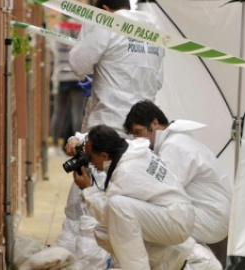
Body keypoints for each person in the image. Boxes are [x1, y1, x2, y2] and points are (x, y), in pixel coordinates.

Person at [124, 100, 233, 268]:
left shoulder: (175, 146)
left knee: (146, 217)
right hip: (211, 215)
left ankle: (203, 264)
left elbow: (159, 193)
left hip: (212, 218)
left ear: (155, 124)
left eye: (139, 133)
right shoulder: (177, 141)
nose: (139, 140)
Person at [72, 125, 195, 270]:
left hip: (175, 221)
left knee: (117, 205)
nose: (89, 162)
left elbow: (107, 213)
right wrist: (78, 140)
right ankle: (171, 257)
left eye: (90, 156)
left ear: (104, 156)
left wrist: (88, 189)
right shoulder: (132, 150)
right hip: (175, 214)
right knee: (104, 232)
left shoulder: (126, 171)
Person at [69, 0, 165, 136]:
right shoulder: (153, 32)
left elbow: (78, 64)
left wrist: (90, 27)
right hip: (143, 129)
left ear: (104, 10)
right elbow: (157, 82)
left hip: (108, 128)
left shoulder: (108, 25)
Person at [49, 14, 88, 148]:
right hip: (78, 77)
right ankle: (79, 143)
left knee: (59, 111)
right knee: (77, 112)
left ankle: (54, 144)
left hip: (61, 75)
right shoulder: (83, 29)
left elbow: (53, 50)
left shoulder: (57, 29)